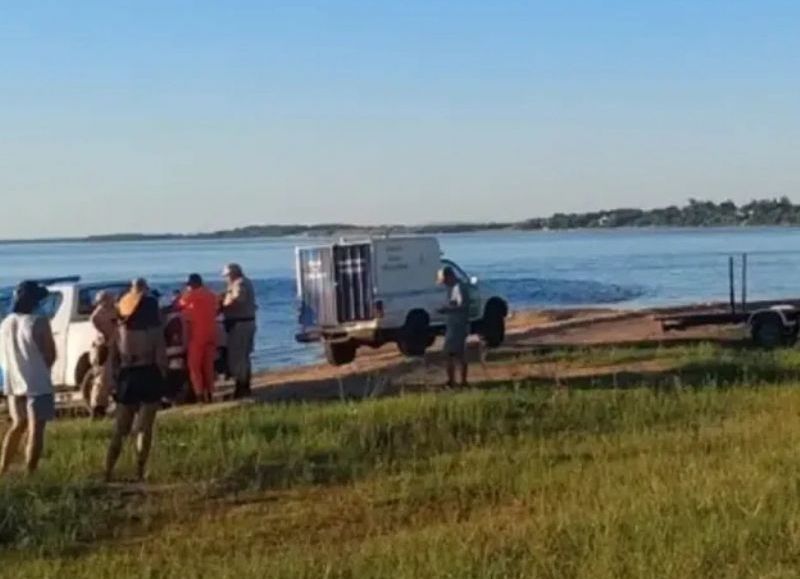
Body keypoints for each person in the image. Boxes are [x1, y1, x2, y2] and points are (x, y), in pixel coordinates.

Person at [105, 278, 166, 482]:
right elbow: (161, 359)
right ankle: (139, 470)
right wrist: (163, 379)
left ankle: (108, 470)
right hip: (148, 372)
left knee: (120, 428)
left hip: (127, 375)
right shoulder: (154, 331)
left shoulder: (120, 330)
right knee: (144, 428)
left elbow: (112, 358)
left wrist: (113, 380)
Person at [0, 281, 57, 475]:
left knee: (17, 425)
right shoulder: (38, 322)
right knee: (35, 429)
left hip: (14, 382)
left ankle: (3, 468)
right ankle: (30, 473)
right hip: (37, 382)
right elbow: (50, 354)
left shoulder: (5, 323)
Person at [177, 274, 219, 404]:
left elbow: (179, 304)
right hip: (212, 334)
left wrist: (185, 294)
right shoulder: (211, 295)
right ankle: (210, 393)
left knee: (194, 367)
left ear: (192, 285)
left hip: (197, 335)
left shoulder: (191, 295)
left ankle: (199, 395)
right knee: (208, 366)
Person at [220, 263, 257, 399]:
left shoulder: (239, 284)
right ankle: (244, 386)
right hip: (247, 323)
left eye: (226, 276)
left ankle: (241, 388)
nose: (225, 279)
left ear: (233, 274)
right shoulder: (246, 282)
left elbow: (239, 299)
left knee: (238, 357)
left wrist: (223, 306)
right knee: (244, 357)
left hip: (240, 324)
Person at [84, 290, 118, 419]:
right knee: (103, 378)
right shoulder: (97, 316)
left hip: (116, 347)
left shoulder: (115, 311)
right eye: (107, 299)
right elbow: (100, 332)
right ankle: (97, 408)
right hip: (103, 349)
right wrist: (107, 340)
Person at [438, 267, 470, 388]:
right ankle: (457, 381)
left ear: (450, 276)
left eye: (445, 281)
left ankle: (456, 381)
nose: (444, 284)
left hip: (458, 326)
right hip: (453, 325)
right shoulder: (453, 288)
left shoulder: (459, 287)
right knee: (455, 354)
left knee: (453, 354)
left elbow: (464, 305)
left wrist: (447, 310)